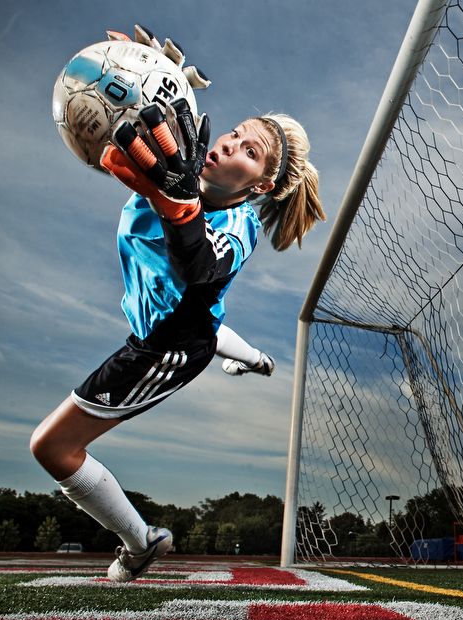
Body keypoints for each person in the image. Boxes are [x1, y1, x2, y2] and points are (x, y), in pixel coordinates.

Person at [30, 87, 325, 582]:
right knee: (211, 329)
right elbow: (122, 128)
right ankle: (254, 359)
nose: (231, 144)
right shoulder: (174, 162)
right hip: (192, 323)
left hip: (165, 348)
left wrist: (180, 204)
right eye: (235, 134)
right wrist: (141, 78)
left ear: (259, 187)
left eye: (250, 153)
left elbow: (198, 267)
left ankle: (138, 541)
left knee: (52, 448)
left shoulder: (239, 226)